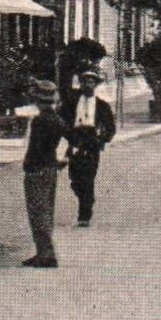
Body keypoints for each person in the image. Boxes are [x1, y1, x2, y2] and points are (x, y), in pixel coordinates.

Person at [22, 79, 70, 268]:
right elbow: (74, 139)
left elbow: (36, 148)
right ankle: (43, 252)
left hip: (37, 169)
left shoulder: (40, 121)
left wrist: (29, 164)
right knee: (46, 211)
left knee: (37, 212)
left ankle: (46, 254)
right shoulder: (58, 121)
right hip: (50, 168)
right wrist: (63, 159)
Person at [60, 68, 116, 227]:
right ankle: (85, 197)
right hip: (75, 140)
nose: (87, 85)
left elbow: (110, 128)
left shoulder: (102, 106)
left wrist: (101, 140)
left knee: (88, 177)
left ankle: (84, 214)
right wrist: (68, 134)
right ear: (81, 83)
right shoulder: (72, 103)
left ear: (95, 85)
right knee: (74, 178)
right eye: (85, 81)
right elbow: (61, 119)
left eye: (91, 82)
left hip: (91, 143)